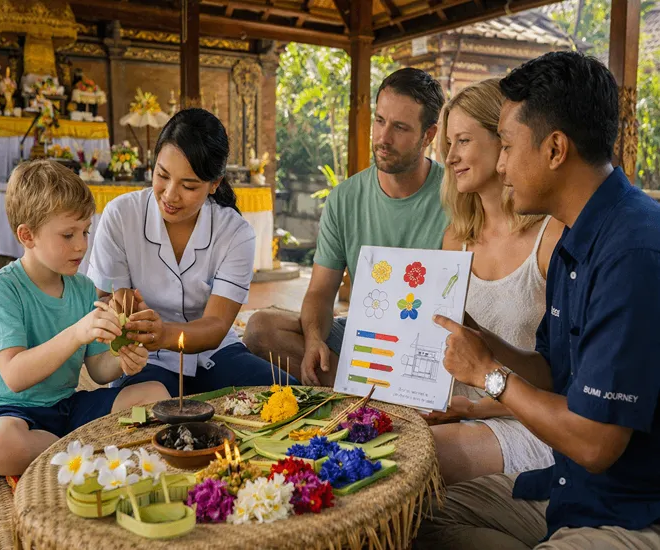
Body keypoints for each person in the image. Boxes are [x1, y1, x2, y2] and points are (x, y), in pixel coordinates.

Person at [419, 51, 660, 548]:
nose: (501, 164)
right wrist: (477, 337)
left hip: (631, 512)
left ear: (555, 150)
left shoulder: (631, 251)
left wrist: (489, 374)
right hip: (572, 489)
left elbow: (595, 444)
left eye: (505, 146)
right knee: (414, 513)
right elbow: (553, 372)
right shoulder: (579, 237)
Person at [0, 160, 170, 477]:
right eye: (67, 234)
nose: (81, 245)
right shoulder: (1, 290)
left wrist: (123, 358)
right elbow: (15, 376)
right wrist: (77, 333)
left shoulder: (82, 287)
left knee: (154, 394)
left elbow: (99, 371)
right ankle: (86, 448)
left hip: (65, 408)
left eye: (85, 231)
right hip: (6, 413)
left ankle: (69, 452)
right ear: (27, 235)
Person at [244, 68, 447, 386]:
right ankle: (369, 393)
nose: (383, 137)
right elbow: (321, 292)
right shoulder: (345, 198)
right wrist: (313, 340)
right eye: (380, 121)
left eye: (400, 127)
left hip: (429, 341)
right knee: (260, 329)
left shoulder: (455, 196)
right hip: (366, 333)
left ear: (429, 135)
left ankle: (368, 392)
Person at [86, 108, 296, 397]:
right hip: (147, 359)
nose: (170, 195)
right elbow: (108, 297)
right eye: (162, 175)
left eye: (188, 186)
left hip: (215, 355)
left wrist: (164, 334)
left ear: (215, 184)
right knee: (153, 415)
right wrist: (122, 311)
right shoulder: (121, 216)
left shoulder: (234, 233)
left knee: (293, 397)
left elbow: (216, 325)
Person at [424, 78, 563, 485]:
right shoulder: (456, 238)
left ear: (503, 141)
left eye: (463, 141)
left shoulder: (549, 237)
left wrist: (472, 409)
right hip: (460, 412)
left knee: (411, 460)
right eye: (448, 144)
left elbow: (562, 382)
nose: (450, 158)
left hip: (528, 423)